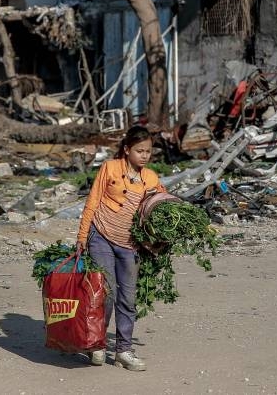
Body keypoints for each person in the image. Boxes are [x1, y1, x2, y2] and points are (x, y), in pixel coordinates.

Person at [75, 125, 165, 371]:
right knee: (105, 293)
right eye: (139, 151)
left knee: (127, 298)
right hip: (101, 236)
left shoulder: (152, 178)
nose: (144, 156)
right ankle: (97, 343)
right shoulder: (110, 168)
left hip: (129, 245)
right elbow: (93, 200)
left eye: (148, 151)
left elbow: (162, 206)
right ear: (127, 150)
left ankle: (123, 350)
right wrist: (82, 235)